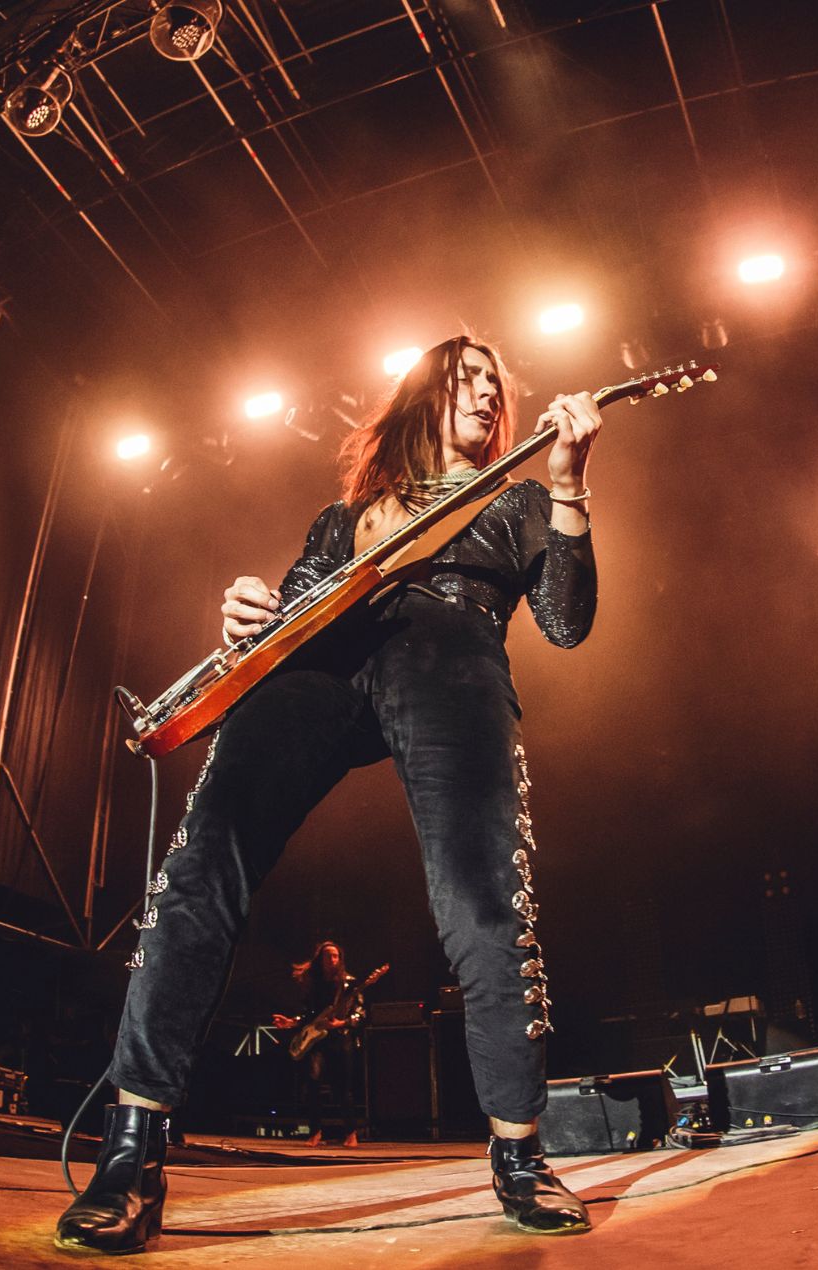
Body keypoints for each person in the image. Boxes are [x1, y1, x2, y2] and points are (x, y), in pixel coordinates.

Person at [56, 335, 602, 1253]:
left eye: (493, 386)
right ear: (424, 396)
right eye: (464, 380)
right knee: (200, 865)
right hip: (323, 658)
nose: (483, 395)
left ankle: (518, 1153)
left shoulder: (518, 500)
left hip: (450, 653)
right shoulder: (342, 513)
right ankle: (133, 1150)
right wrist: (246, 612)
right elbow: (292, 609)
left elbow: (566, 621)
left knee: (480, 900)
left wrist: (573, 482)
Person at [271, 940, 365, 1147]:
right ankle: (315, 1132)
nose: (332, 960)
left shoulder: (349, 983)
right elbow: (309, 1016)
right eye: (328, 956)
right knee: (312, 1083)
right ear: (320, 960)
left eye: (336, 956)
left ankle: (351, 1133)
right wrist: (291, 1022)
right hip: (318, 1041)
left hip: (341, 1038)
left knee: (342, 1088)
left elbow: (361, 1013)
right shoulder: (313, 984)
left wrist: (344, 1022)